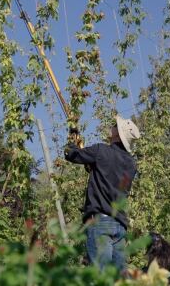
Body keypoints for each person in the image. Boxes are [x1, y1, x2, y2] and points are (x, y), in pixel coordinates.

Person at [64, 115, 139, 273]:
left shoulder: (101, 151)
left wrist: (72, 136)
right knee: (119, 280)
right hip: (120, 226)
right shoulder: (132, 164)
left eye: (114, 126)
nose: (111, 127)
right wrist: (93, 167)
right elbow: (114, 184)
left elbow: (70, 154)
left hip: (100, 223)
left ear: (117, 134)